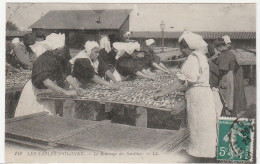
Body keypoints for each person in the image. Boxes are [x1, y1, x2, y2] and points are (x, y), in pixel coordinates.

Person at [154, 31, 217, 158]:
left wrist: (162, 93)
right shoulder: (201, 56)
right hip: (203, 94)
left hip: (198, 97)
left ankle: (199, 156)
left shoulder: (192, 59)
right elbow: (194, 79)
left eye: (182, 48)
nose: (181, 51)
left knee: (198, 126)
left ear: (188, 47)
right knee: (204, 126)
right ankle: (207, 153)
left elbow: (180, 80)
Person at [15, 33, 82, 117]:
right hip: (37, 90)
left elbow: (67, 75)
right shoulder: (42, 60)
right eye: (58, 51)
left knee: (51, 114)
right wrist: (65, 92)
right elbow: (46, 82)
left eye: (61, 51)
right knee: (38, 115)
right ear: (51, 50)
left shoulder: (60, 59)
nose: (60, 53)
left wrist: (76, 87)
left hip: (50, 89)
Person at [214, 35, 247, 117]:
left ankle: (228, 114)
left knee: (228, 98)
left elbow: (222, 69)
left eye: (217, 47)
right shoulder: (234, 51)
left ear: (222, 46)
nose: (217, 49)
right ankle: (234, 114)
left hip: (229, 76)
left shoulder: (227, 54)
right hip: (235, 76)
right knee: (235, 98)